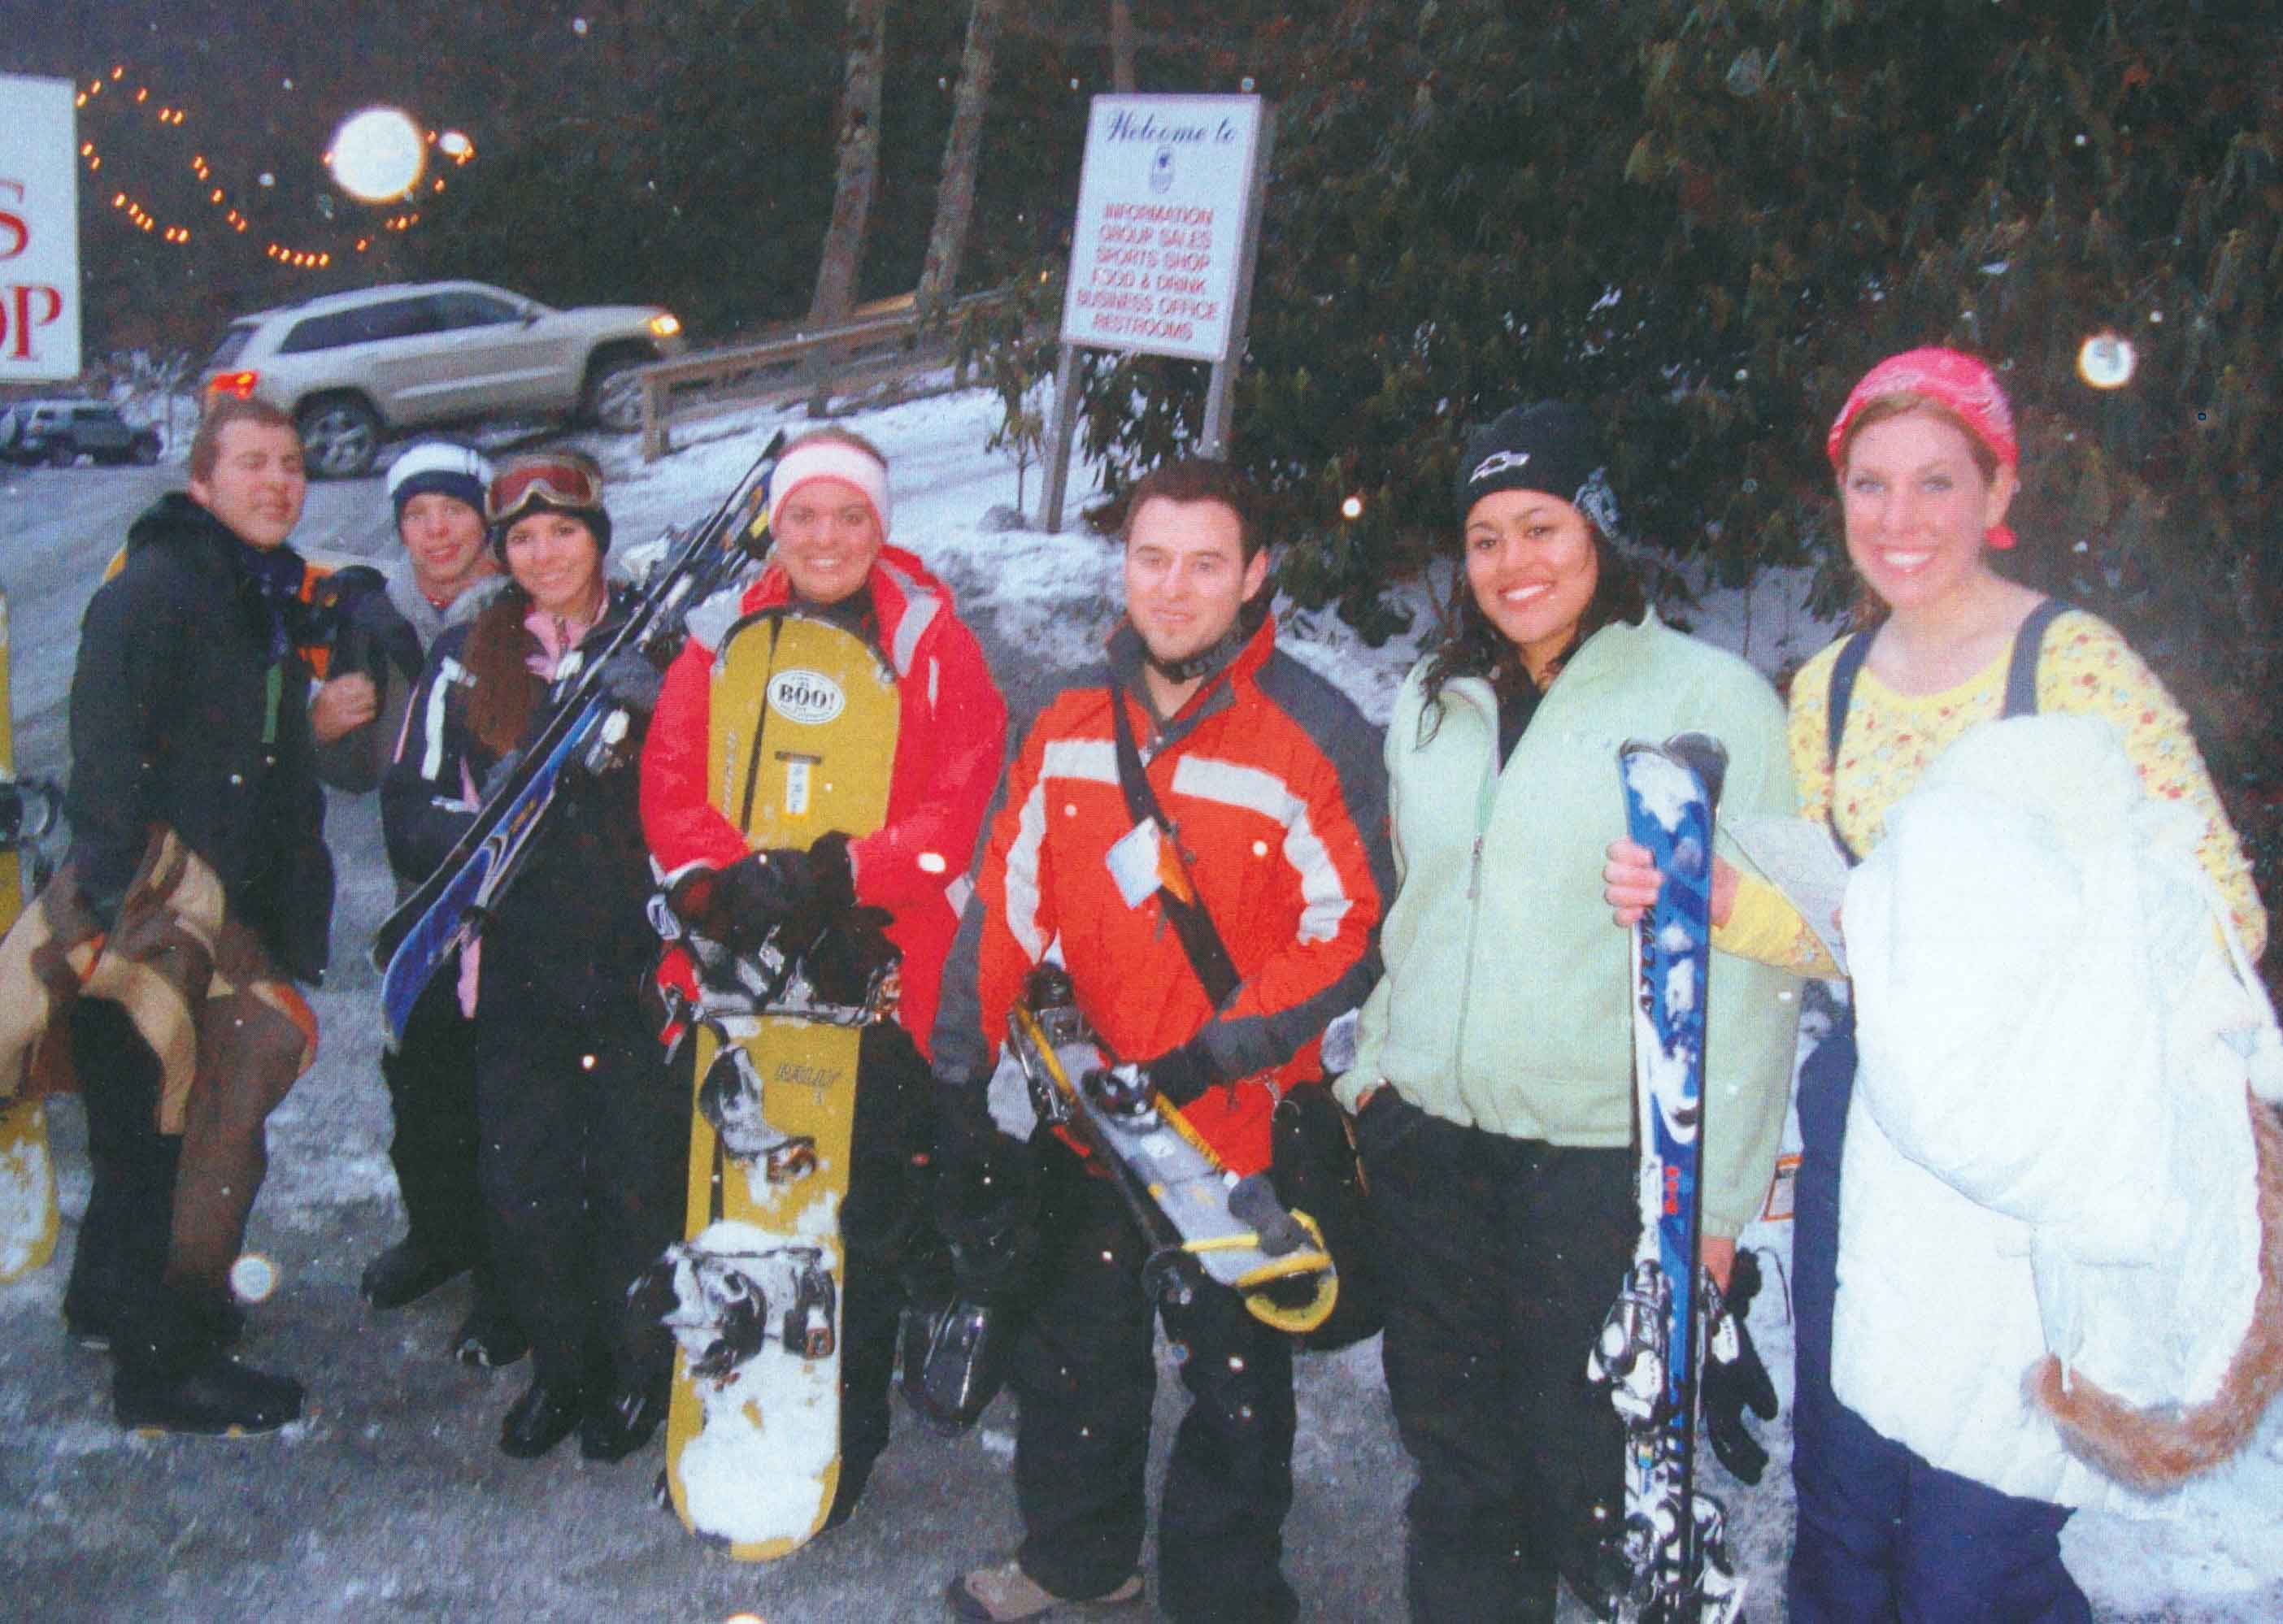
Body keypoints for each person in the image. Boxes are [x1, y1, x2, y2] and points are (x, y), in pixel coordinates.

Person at [1603, 347, 2269, 1622]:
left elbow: (2221, 911)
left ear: (1998, 488)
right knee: (1847, 1507)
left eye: (1935, 482)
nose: (1897, 518)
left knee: (1973, 1545)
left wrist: (2014, 967)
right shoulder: (1830, 686)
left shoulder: (2072, 665)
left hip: (2037, 1141)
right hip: (1874, 1111)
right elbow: (1848, 930)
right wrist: (1709, 897)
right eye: (1870, 484)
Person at [1337, 401, 1802, 1622]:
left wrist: (1715, 1208)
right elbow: (1418, 908)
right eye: (1484, 538)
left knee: (1591, 1483)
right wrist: (1374, 1071)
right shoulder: (1433, 699)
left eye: (1541, 527)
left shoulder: (1711, 701)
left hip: (1598, 1165)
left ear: (1600, 529)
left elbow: (1759, 980)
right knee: (1459, 1474)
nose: (1512, 563)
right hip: (1432, 1144)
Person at [930, 458, 1392, 1624]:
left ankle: (1225, 1595)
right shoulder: (1067, 719)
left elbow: (1352, 930)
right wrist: (954, 1070)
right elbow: (1006, 900)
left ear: (1254, 574)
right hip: (1091, 1114)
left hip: (1235, 1136)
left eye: (1204, 563)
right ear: (1123, 565)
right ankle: (1077, 1561)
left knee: (1236, 1390)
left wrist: (1211, 1056)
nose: (1174, 589)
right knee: (1073, 1358)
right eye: (1151, 559)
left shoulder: (1314, 732)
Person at [640, 425, 1007, 1525]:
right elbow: (671, 778)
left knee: (858, 1210)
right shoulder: (723, 632)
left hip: (878, 962)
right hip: (741, 960)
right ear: (775, 524)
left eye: (851, 515)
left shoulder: (932, 642)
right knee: (738, 1187)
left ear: (881, 525)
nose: (828, 537)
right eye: (804, 514)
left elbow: (959, 801)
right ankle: (729, 1405)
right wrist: (732, 880)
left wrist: (850, 872)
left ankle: (840, 1432)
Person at [54, 395, 370, 1431]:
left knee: (146, 1127)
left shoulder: (240, 585)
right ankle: (163, 1373)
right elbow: (106, 755)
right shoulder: (159, 588)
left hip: (196, 895)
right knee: (170, 1131)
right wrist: (134, 911)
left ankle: (110, 1305)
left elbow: (231, 734)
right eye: (252, 463)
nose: (278, 481)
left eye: (292, 464)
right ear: (201, 481)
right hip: (156, 906)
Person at [382, 449, 681, 1461]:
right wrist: (490, 822)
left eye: (565, 532)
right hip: (517, 966)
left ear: (598, 537)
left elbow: (711, 800)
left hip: (636, 966)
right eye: (523, 538)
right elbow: (410, 808)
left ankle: (637, 1373)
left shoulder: (664, 644)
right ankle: (563, 1369)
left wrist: (658, 710)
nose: (545, 554)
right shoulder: (471, 653)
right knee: (528, 1182)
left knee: (637, 1178)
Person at [350, 442, 527, 1370]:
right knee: (420, 1083)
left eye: (454, 511)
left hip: (499, 892)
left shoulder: (520, 606)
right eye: (417, 516)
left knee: (493, 1089)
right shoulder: (382, 613)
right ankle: (438, 1233)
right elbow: (353, 768)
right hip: (419, 888)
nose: (437, 531)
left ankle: (507, 1268)